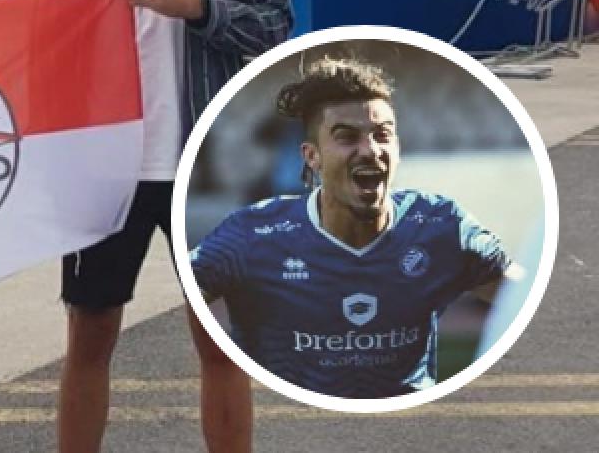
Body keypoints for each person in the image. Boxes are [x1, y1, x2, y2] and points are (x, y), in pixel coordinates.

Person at [34, 0, 293, 453]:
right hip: (106, 161)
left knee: (221, 343)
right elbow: (45, 42)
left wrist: (196, 7)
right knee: (88, 336)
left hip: (209, 158)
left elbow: (278, 26)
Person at [190, 56, 522, 398]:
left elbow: (524, 299)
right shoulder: (252, 234)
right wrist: (217, 363)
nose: (370, 150)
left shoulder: (442, 225)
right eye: (347, 137)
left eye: (382, 135)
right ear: (312, 156)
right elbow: (186, 288)